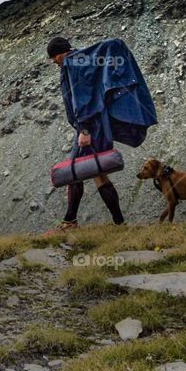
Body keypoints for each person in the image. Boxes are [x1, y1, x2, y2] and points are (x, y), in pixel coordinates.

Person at [46, 36, 157, 232]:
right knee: (98, 174)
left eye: (54, 57)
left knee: (75, 173)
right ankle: (119, 224)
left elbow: (82, 99)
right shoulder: (84, 61)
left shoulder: (72, 63)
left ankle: (70, 222)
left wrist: (84, 130)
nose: (53, 61)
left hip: (90, 128)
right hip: (97, 125)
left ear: (62, 53)